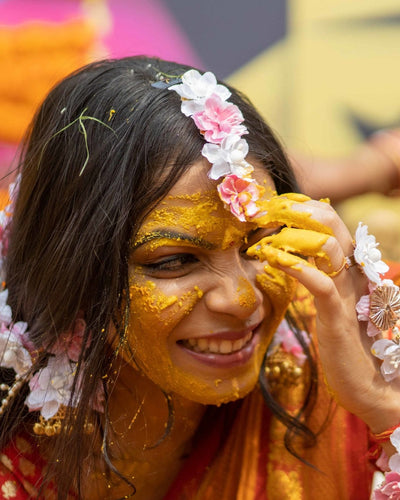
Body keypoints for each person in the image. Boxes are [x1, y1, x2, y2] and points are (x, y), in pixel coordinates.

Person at [0, 56, 399, 500]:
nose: (243, 300)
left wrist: (383, 406)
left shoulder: (361, 332)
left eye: (261, 243)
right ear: (69, 268)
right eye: (174, 261)